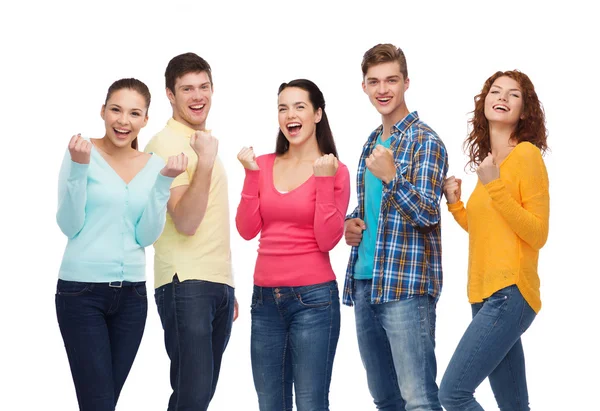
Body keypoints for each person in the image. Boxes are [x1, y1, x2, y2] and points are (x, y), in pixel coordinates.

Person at [55, 78, 186, 411]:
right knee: (98, 403)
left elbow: (145, 237)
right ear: (103, 111)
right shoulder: (81, 151)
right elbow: (69, 225)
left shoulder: (155, 165)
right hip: (81, 293)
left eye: (134, 113)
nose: (123, 121)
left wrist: (163, 185)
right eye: (115, 110)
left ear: (145, 120)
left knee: (103, 402)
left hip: (132, 298)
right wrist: (79, 169)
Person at [343, 43, 448, 410]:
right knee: (386, 400)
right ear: (364, 87)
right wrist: (351, 224)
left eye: (391, 80)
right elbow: (371, 206)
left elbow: (427, 214)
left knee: (418, 399)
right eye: (374, 81)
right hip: (365, 282)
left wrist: (392, 178)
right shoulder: (372, 142)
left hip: (405, 287)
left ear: (406, 83)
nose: (382, 89)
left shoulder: (426, 141)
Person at [235, 79, 350, 411]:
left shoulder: (334, 170)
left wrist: (325, 181)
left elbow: (328, 239)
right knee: (271, 404)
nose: (290, 115)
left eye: (299, 106)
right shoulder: (265, 164)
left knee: (312, 404)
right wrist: (251, 175)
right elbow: (246, 229)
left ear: (317, 114)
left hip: (314, 301)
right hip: (264, 300)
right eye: (282, 108)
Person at [438, 70, 549, 411]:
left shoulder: (526, 156)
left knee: (453, 394)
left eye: (513, 94)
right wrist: (456, 203)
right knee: (515, 406)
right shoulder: (489, 165)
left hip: (510, 293)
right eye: (495, 91)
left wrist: (496, 186)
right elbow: (487, 229)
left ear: (524, 110)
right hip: (484, 296)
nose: (502, 97)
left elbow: (537, 233)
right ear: (484, 103)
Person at [143, 52, 238, 411]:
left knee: (198, 397)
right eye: (187, 89)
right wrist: (207, 163)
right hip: (186, 283)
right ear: (170, 94)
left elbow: (213, 219)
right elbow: (186, 221)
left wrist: (227, 284)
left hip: (214, 283)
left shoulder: (202, 141)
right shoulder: (164, 145)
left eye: (204, 87)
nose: (198, 96)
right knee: (192, 397)